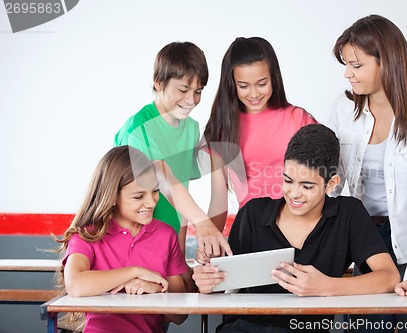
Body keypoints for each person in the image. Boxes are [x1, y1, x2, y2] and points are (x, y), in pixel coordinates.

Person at [193, 124, 401, 333]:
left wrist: (326, 287)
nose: (294, 193)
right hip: (245, 328)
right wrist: (207, 283)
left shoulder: (348, 214)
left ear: (331, 184)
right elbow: (226, 285)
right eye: (288, 180)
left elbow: (389, 276)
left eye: (307, 186)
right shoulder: (253, 213)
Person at [327, 14, 407, 332]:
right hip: (370, 239)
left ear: (386, 62)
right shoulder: (344, 109)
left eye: (356, 65)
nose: (347, 74)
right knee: (366, 326)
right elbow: (334, 180)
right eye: (346, 64)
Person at [114, 41, 231, 265]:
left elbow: (179, 192)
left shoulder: (192, 128)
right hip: (134, 238)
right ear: (158, 83)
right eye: (183, 90)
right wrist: (202, 221)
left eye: (198, 92)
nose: (192, 100)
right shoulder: (140, 128)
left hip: (171, 237)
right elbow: (164, 178)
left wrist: (178, 260)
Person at [53, 146, 187, 332]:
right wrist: (135, 271)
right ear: (113, 196)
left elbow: (180, 315)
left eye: (155, 191)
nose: (151, 202)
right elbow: (75, 284)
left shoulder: (166, 235)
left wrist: (156, 291)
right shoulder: (87, 235)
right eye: (138, 196)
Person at [201, 37, 317, 239]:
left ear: (274, 78)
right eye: (244, 86)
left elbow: (319, 182)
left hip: (300, 227)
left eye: (262, 84)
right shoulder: (223, 129)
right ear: (232, 84)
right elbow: (219, 200)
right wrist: (210, 239)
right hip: (252, 229)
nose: (254, 94)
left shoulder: (298, 120)